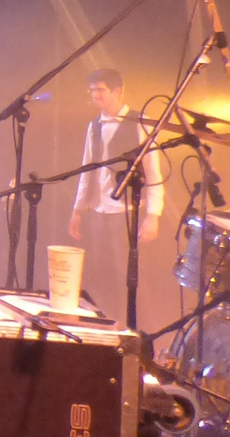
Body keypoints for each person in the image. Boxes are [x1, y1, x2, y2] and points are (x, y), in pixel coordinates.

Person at [68, 68, 164, 305]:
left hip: (126, 213)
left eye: (100, 90)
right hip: (99, 211)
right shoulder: (95, 125)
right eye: (92, 90)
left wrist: (153, 215)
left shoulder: (139, 123)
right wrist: (77, 211)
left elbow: (153, 172)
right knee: (100, 272)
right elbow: (87, 169)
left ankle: (130, 323)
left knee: (127, 275)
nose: (95, 95)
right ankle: (105, 320)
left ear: (117, 91)